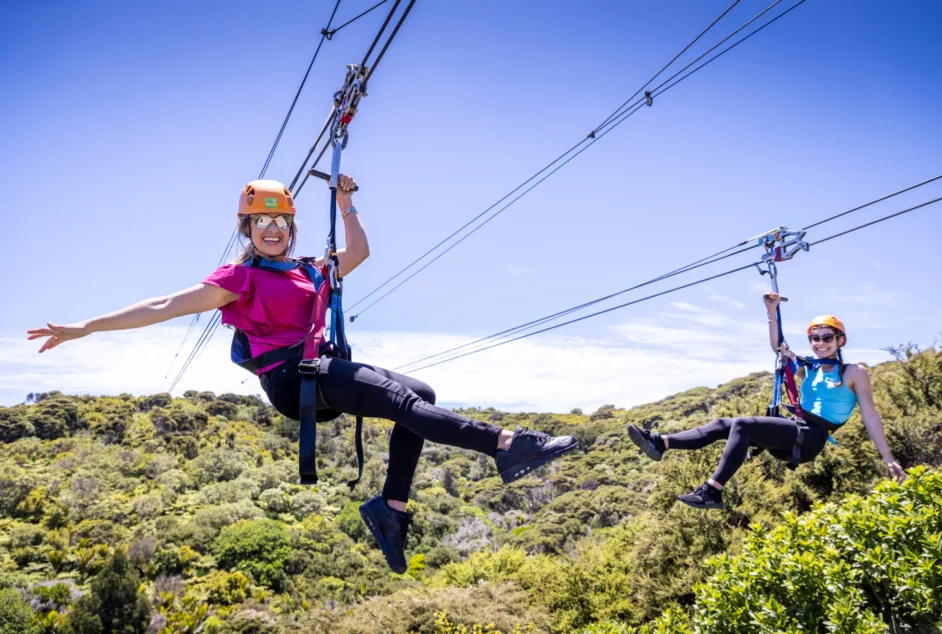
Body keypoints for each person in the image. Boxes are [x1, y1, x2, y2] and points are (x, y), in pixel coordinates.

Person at [27, 176, 578, 572]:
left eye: (280, 221)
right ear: (247, 227)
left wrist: (346, 204)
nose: (271, 228)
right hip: (293, 379)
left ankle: (391, 509)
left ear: (290, 227)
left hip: (321, 367)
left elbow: (359, 251)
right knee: (403, 403)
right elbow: (162, 305)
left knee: (421, 393)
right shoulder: (239, 277)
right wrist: (86, 327)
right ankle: (507, 444)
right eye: (260, 221)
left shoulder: (310, 268)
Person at [626, 292, 905, 510]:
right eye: (815, 338)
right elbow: (780, 349)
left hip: (812, 437)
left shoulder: (854, 372)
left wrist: (888, 458)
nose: (820, 343)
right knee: (726, 423)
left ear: (840, 340)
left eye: (827, 337)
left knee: (743, 426)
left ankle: (712, 490)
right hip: (795, 428)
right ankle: (660, 443)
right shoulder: (808, 366)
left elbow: (870, 415)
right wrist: (771, 313)